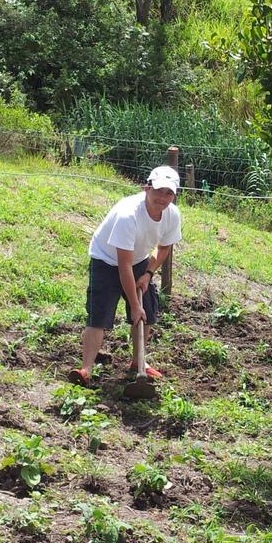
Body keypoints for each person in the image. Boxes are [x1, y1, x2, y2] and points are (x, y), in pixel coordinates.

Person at [67, 165, 183, 387]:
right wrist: (133, 303)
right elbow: (123, 266)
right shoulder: (128, 215)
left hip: (139, 260)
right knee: (99, 315)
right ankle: (86, 369)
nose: (163, 197)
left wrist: (148, 273)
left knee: (146, 311)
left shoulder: (172, 216)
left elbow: (164, 248)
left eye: (169, 193)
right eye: (159, 190)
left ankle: (138, 363)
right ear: (146, 188)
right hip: (106, 259)